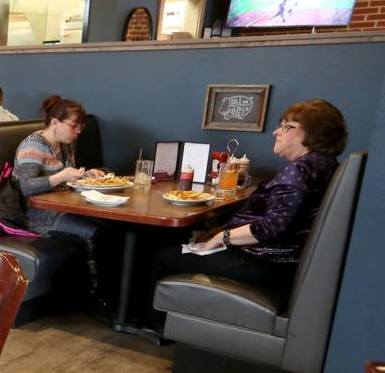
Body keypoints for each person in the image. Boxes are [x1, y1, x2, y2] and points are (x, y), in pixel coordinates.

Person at [149, 99, 348, 300]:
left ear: (314, 135)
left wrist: (221, 237)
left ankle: (151, 323)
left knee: (164, 257)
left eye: (287, 126)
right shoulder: (324, 165)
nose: (276, 132)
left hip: (269, 262)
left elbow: (270, 227)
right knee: (193, 239)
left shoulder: (298, 170)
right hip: (287, 260)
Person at [0, 95, 111, 309]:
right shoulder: (32, 147)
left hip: (64, 209)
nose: (78, 131)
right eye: (74, 125)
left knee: (115, 227)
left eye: (81, 126)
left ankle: (115, 294)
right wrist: (61, 176)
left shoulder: (64, 145)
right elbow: (27, 187)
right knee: (97, 234)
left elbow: (65, 179)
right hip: (38, 217)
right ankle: (98, 299)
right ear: (55, 123)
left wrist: (86, 174)